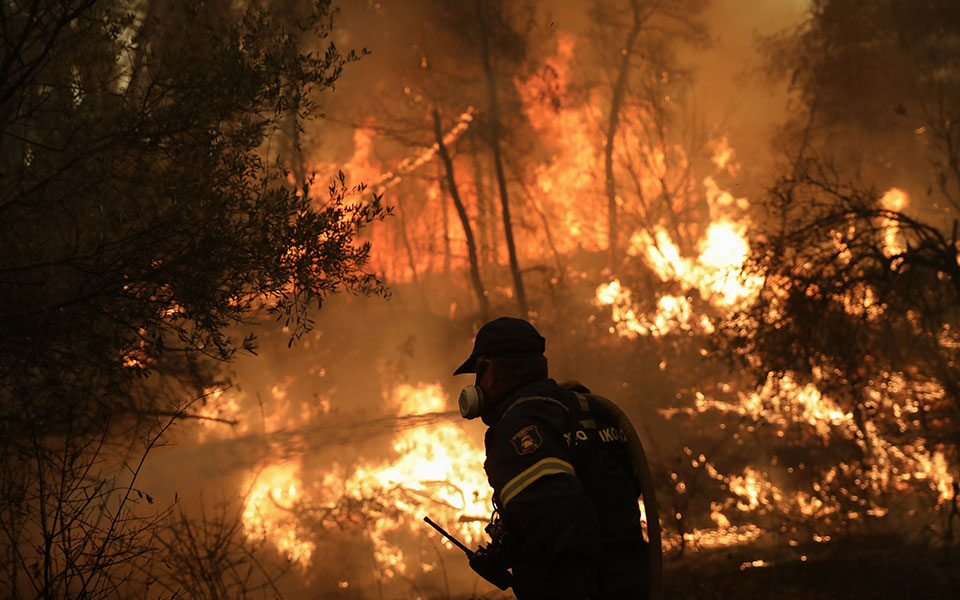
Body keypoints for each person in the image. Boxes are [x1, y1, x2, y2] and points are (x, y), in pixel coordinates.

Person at [453, 317, 651, 599]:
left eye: (477, 374)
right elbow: (613, 500)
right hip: (633, 584)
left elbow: (561, 525)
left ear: (489, 370)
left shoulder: (518, 427)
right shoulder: (588, 411)